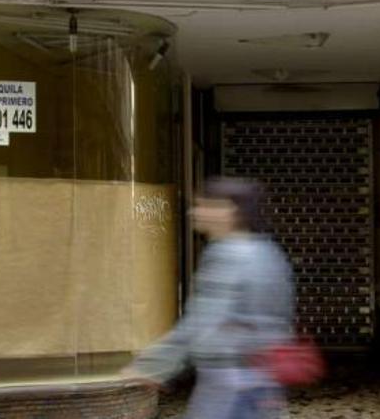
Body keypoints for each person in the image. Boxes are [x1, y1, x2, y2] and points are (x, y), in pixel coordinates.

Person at [126, 176, 294, 419]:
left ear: (229, 210)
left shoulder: (227, 254)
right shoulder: (267, 251)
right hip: (263, 377)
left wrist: (153, 365)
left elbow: (203, 320)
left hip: (228, 382)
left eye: (205, 205)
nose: (195, 212)